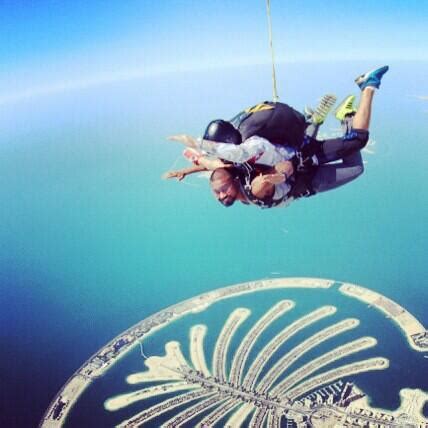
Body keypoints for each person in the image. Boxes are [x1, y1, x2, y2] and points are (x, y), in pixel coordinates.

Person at [168, 66, 389, 208]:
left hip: (307, 178)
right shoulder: (233, 167)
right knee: (308, 143)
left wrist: (276, 177)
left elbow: (266, 178)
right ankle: (317, 121)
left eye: (221, 190)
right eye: (218, 192)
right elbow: (214, 165)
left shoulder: (253, 189)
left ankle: (365, 91)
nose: (221, 195)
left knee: (356, 161)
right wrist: (189, 168)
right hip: (300, 156)